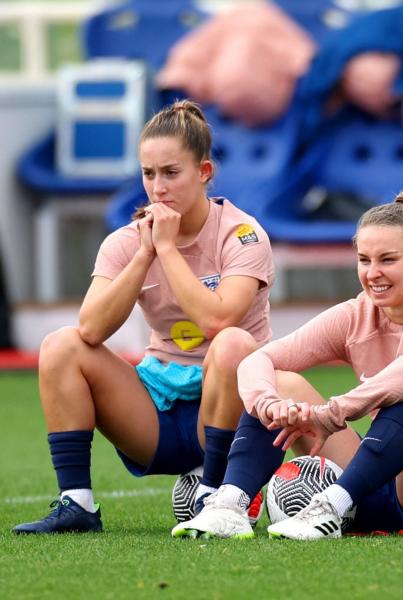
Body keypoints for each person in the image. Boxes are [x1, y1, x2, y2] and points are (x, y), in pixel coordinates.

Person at [172, 186, 403, 540]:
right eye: (365, 260)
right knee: (281, 381)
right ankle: (230, 505)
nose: (373, 273)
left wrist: (333, 412)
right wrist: (269, 404)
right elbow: (260, 359)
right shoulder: (356, 313)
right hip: (383, 481)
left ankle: (330, 508)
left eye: (388, 260)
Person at [13, 100, 274, 534]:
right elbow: (92, 329)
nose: (158, 188)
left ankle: (213, 495)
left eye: (171, 173)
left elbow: (219, 322)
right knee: (61, 344)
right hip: (155, 412)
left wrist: (169, 250)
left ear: (204, 172)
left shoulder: (242, 234)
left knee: (232, 345)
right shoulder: (125, 241)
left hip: (230, 407)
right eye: (148, 174)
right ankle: (76, 503)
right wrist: (146, 252)